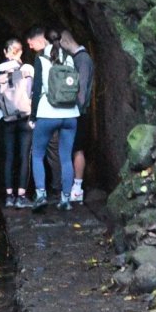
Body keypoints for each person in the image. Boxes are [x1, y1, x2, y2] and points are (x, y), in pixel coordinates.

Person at [27, 27, 81, 211]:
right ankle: (65, 199)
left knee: (38, 155)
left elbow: (36, 90)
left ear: (46, 40)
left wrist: (33, 116)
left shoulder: (41, 59)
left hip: (47, 113)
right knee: (66, 157)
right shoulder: (70, 58)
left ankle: (41, 195)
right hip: (70, 114)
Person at [0, 38, 33, 208]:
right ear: (21, 51)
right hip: (25, 117)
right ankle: (21, 196)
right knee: (24, 156)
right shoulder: (28, 68)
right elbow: (32, 92)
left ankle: (9, 195)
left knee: (9, 156)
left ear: (5, 52)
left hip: (6, 118)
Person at [59, 29, 93, 204]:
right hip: (74, 111)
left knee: (78, 149)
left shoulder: (83, 59)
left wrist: (75, 108)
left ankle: (77, 188)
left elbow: (82, 88)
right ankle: (70, 185)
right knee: (72, 149)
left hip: (79, 112)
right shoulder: (78, 59)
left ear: (65, 41)